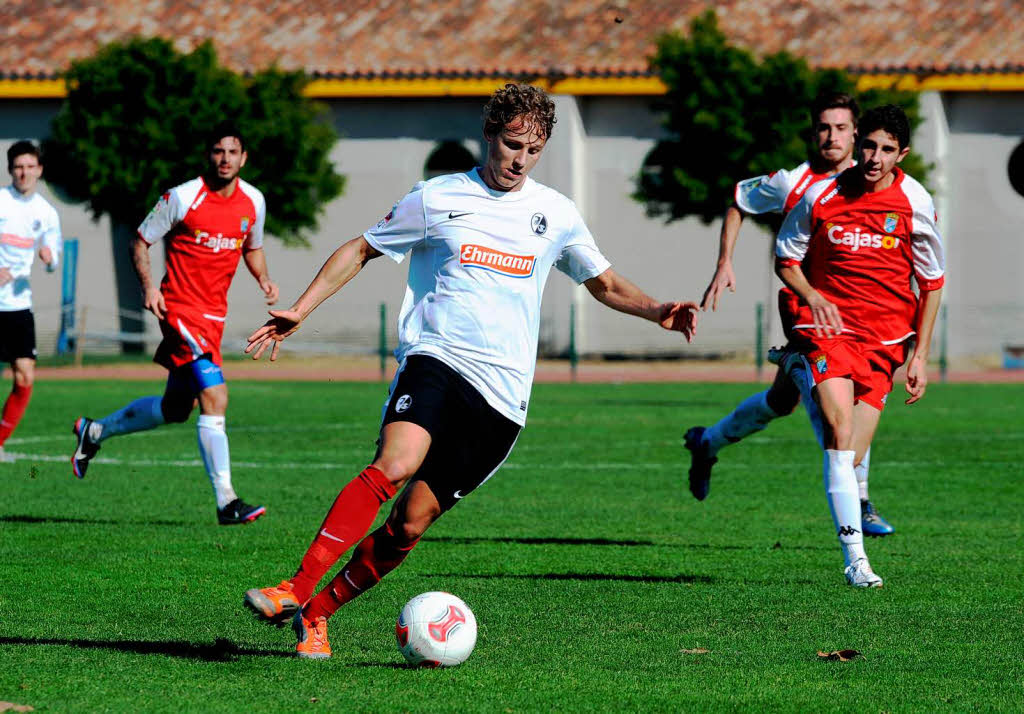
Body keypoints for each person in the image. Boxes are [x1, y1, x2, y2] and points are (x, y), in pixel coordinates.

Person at [242, 83, 699, 658]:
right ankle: (296, 586)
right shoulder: (437, 197)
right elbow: (361, 249)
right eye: (511, 145)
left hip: (503, 398)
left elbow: (602, 281)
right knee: (396, 463)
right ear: (490, 134)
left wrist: (657, 310)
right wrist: (300, 311)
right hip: (437, 359)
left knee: (410, 524)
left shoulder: (555, 213)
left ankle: (318, 613)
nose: (519, 160)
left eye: (532, 151)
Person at [683, 93, 896, 538]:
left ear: (856, 134)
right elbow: (739, 200)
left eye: (841, 128)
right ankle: (860, 500)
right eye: (824, 127)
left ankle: (706, 442)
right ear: (813, 133)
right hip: (810, 318)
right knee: (838, 406)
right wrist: (725, 261)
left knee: (781, 401)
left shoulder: (878, 186)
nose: (832, 136)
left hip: (858, 321)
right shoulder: (792, 182)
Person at [70, 123, 278, 525]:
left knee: (175, 408)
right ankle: (227, 501)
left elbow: (252, 247)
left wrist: (263, 279)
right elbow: (140, 240)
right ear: (209, 155)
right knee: (215, 397)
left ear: (244, 158)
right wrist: (150, 287)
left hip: (214, 316)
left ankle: (93, 432)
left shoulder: (254, 201)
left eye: (232, 152)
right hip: (180, 310)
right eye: (218, 151)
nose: (224, 159)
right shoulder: (182, 197)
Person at [774, 104, 944, 587]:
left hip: (886, 340)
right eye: (868, 145)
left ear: (901, 154)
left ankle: (794, 364)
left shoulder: (914, 201)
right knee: (838, 430)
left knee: (848, 458)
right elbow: (786, 258)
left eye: (886, 149)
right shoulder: (822, 193)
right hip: (829, 331)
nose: (874, 156)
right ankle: (856, 560)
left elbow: (932, 282)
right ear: (856, 145)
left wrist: (921, 356)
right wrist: (812, 297)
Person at [0, 141, 61, 462]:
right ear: (11, 170)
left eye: (29, 166)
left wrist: (48, 258)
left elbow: (53, 261)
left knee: (25, 376)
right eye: (18, 167)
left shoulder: (46, 213)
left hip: (19, 307)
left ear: (39, 170)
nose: (24, 172)